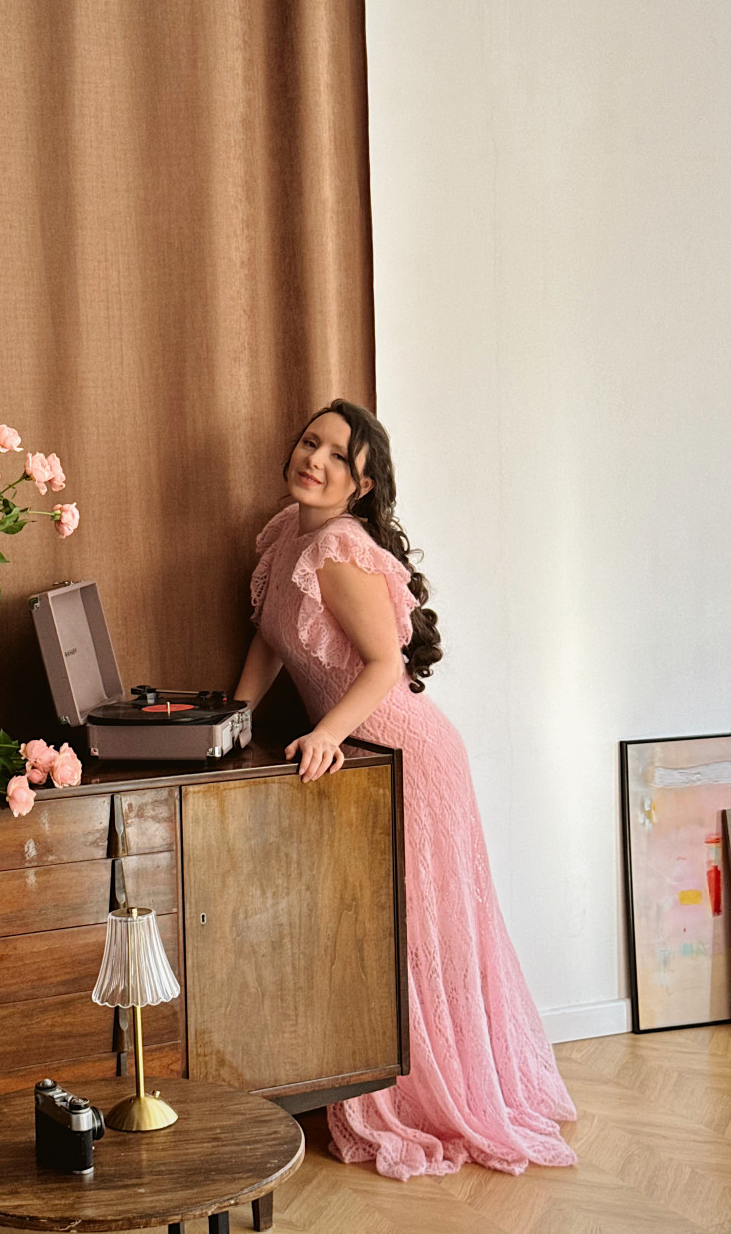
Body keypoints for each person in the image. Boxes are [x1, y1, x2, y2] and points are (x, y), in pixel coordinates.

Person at [235, 398, 577, 1180]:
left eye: (337, 455)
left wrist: (326, 732)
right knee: (379, 922)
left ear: (361, 485)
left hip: (409, 755)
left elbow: (386, 664)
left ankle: (431, 1094)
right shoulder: (285, 535)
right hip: (363, 755)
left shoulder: (341, 549)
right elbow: (270, 638)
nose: (314, 459)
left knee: (414, 925)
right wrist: (230, 717)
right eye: (310, 442)